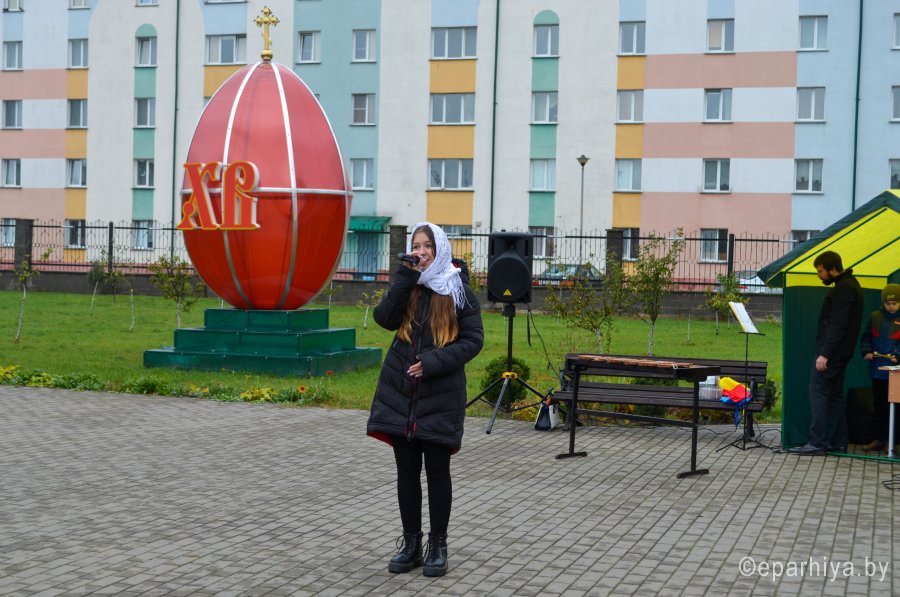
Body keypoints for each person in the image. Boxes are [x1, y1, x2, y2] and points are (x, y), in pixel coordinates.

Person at [366, 222, 484, 577]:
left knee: (436, 472)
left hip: (440, 396)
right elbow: (384, 319)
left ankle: (438, 545)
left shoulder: (458, 289)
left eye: (427, 246)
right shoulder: (410, 286)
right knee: (406, 473)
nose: (420, 251)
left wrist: (432, 363)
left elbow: (473, 341)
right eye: (416, 245)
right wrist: (405, 276)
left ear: (440, 249)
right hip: (400, 396)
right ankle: (411, 544)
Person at [790, 251, 864, 454]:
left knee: (818, 392)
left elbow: (838, 325)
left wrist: (825, 354)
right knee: (835, 395)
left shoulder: (844, 289)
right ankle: (838, 442)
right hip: (841, 352)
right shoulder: (851, 285)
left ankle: (818, 442)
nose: (819, 275)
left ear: (832, 269)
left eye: (821, 271)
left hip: (832, 353)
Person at [859, 283, 900, 452]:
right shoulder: (875, 316)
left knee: (895, 406)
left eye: (894, 303)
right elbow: (866, 337)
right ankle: (879, 439)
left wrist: (898, 355)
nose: (891, 306)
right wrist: (867, 351)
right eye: (887, 303)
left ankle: (893, 441)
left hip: (896, 372)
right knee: (879, 405)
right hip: (878, 370)